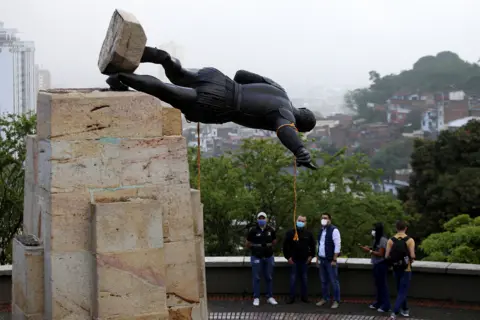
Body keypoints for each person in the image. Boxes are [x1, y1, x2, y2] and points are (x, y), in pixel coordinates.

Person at [106, 46, 317, 169]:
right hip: (221, 103)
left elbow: (241, 74)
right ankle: (121, 77)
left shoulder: (279, 90)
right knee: (167, 90)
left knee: (179, 74)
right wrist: (300, 150)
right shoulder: (285, 115)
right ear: (300, 125)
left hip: (219, 79)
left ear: (303, 108)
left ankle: (163, 58)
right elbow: (285, 131)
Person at [246, 212, 278, 306]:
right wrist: (255, 249)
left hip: (268, 257)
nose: (261, 219)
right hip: (256, 257)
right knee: (256, 278)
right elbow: (247, 243)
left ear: (266, 219)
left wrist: (267, 248)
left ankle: (270, 297)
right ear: (257, 219)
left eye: (263, 218)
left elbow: (274, 241)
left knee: (269, 277)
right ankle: (256, 297)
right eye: (260, 218)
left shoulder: (271, 230)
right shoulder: (253, 231)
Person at [385, 220, 416, 320]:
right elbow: (412, 255)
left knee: (400, 290)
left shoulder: (391, 240)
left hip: (395, 268)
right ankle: (395, 312)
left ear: (396, 228)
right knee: (403, 291)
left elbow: (386, 256)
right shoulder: (410, 240)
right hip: (406, 269)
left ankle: (405, 309)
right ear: (406, 228)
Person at [282, 215, 316, 304]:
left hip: (305, 261)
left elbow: (313, 247)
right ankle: (291, 298)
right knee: (293, 279)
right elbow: (285, 246)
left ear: (305, 223)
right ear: (296, 221)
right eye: (299, 220)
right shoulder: (290, 233)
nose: (301, 222)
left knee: (304, 279)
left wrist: (311, 256)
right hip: (294, 260)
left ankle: (304, 297)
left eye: (303, 221)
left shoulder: (309, 234)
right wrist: (288, 257)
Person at [359, 222, 391, 313]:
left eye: (374, 230)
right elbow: (375, 249)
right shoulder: (376, 240)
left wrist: (369, 251)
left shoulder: (383, 240)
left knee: (382, 285)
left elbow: (381, 254)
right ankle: (378, 302)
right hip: (376, 264)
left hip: (381, 264)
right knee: (378, 285)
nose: (372, 232)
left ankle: (386, 305)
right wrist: (368, 248)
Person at [315, 213, 341, 309]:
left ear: (330, 219)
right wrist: (317, 257)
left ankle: (336, 300)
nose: (324, 220)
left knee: (334, 281)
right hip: (322, 259)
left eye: (325, 218)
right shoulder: (321, 230)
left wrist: (334, 259)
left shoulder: (334, 230)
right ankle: (325, 298)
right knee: (323, 281)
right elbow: (319, 244)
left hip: (330, 260)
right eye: (322, 218)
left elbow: (337, 245)